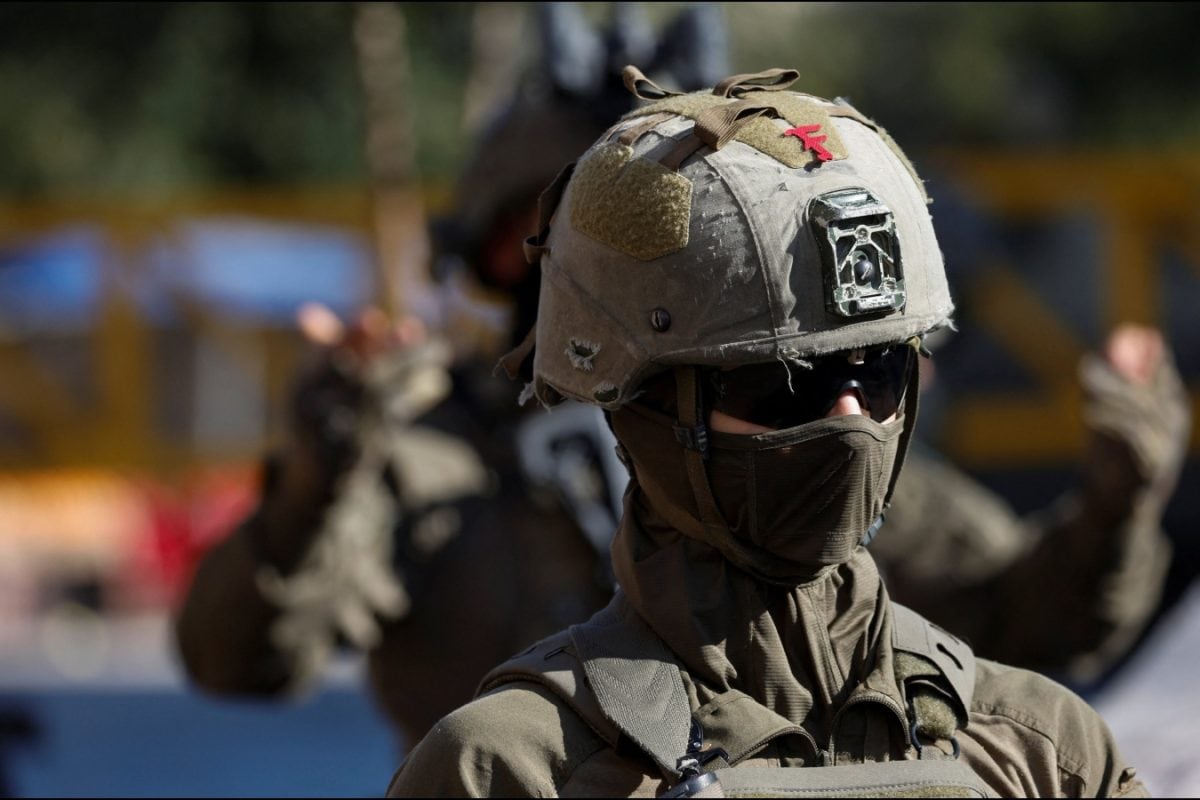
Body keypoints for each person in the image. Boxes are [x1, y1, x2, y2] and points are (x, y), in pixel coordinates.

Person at [385, 65, 1147, 797]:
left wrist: (1119, 503)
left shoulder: (1041, 749)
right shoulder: (508, 772)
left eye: (881, 371)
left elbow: (1029, 603)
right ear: (646, 408)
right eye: (785, 384)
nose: (850, 419)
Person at [173, 2, 727, 750]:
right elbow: (232, 661)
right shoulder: (426, 455)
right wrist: (313, 483)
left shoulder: (776, 425)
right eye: (573, 224)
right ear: (498, 248)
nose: (615, 266)